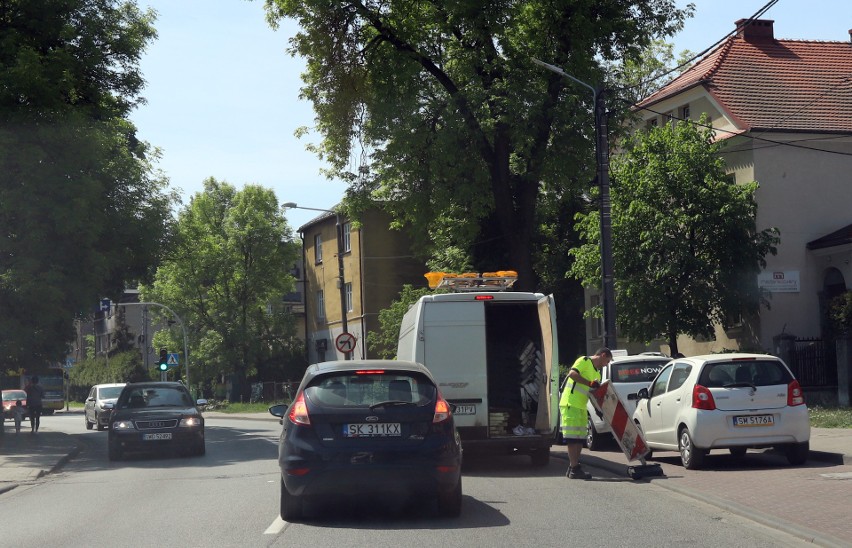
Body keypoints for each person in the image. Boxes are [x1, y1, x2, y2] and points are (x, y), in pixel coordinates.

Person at [559, 347, 613, 479]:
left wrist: (597, 410)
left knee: (580, 439)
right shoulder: (584, 360)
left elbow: (592, 394)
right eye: (607, 360)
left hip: (581, 406)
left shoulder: (597, 374)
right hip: (570, 403)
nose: (606, 364)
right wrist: (589, 382)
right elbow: (572, 374)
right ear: (602, 355)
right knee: (573, 438)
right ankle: (574, 468)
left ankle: (573, 467)